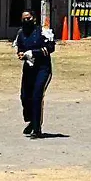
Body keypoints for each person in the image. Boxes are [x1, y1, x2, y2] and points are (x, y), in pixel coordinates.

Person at [14, 10, 56, 138]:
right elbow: (20, 49)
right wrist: (21, 54)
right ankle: (31, 120)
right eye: (24, 19)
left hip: (43, 69)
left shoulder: (42, 31)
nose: (27, 21)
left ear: (34, 18)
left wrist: (34, 52)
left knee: (37, 96)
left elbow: (50, 47)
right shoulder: (21, 34)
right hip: (29, 69)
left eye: (29, 18)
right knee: (25, 97)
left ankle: (37, 129)